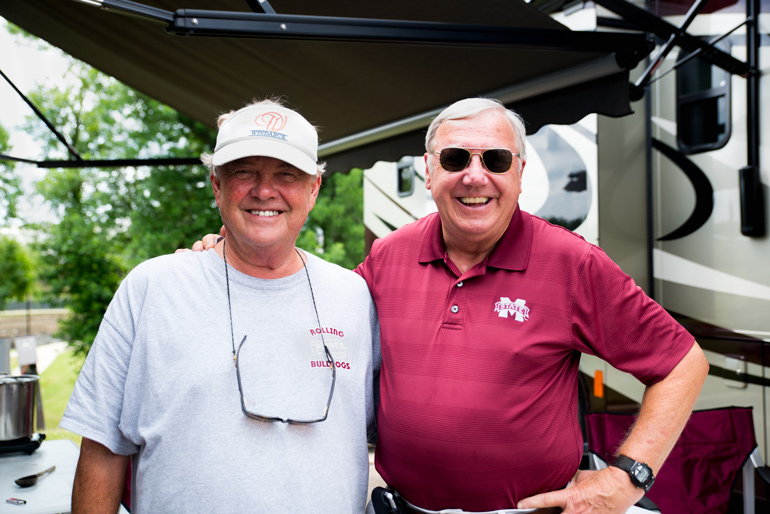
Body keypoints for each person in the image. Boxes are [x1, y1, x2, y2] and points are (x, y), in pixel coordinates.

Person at [194, 98, 709, 514]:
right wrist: (233, 255)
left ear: (521, 172)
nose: (475, 175)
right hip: (405, 508)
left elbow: (683, 363)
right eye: (456, 158)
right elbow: (313, 312)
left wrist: (626, 478)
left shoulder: (570, 262)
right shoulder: (391, 254)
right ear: (429, 170)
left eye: (496, 160)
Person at [60, 99, 381, 513]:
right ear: (216, 185)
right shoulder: (153, 288)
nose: (265, 191)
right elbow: (103, 447)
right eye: (244, 172)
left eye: (286, 174)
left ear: (314, 189)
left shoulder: (352, 296)